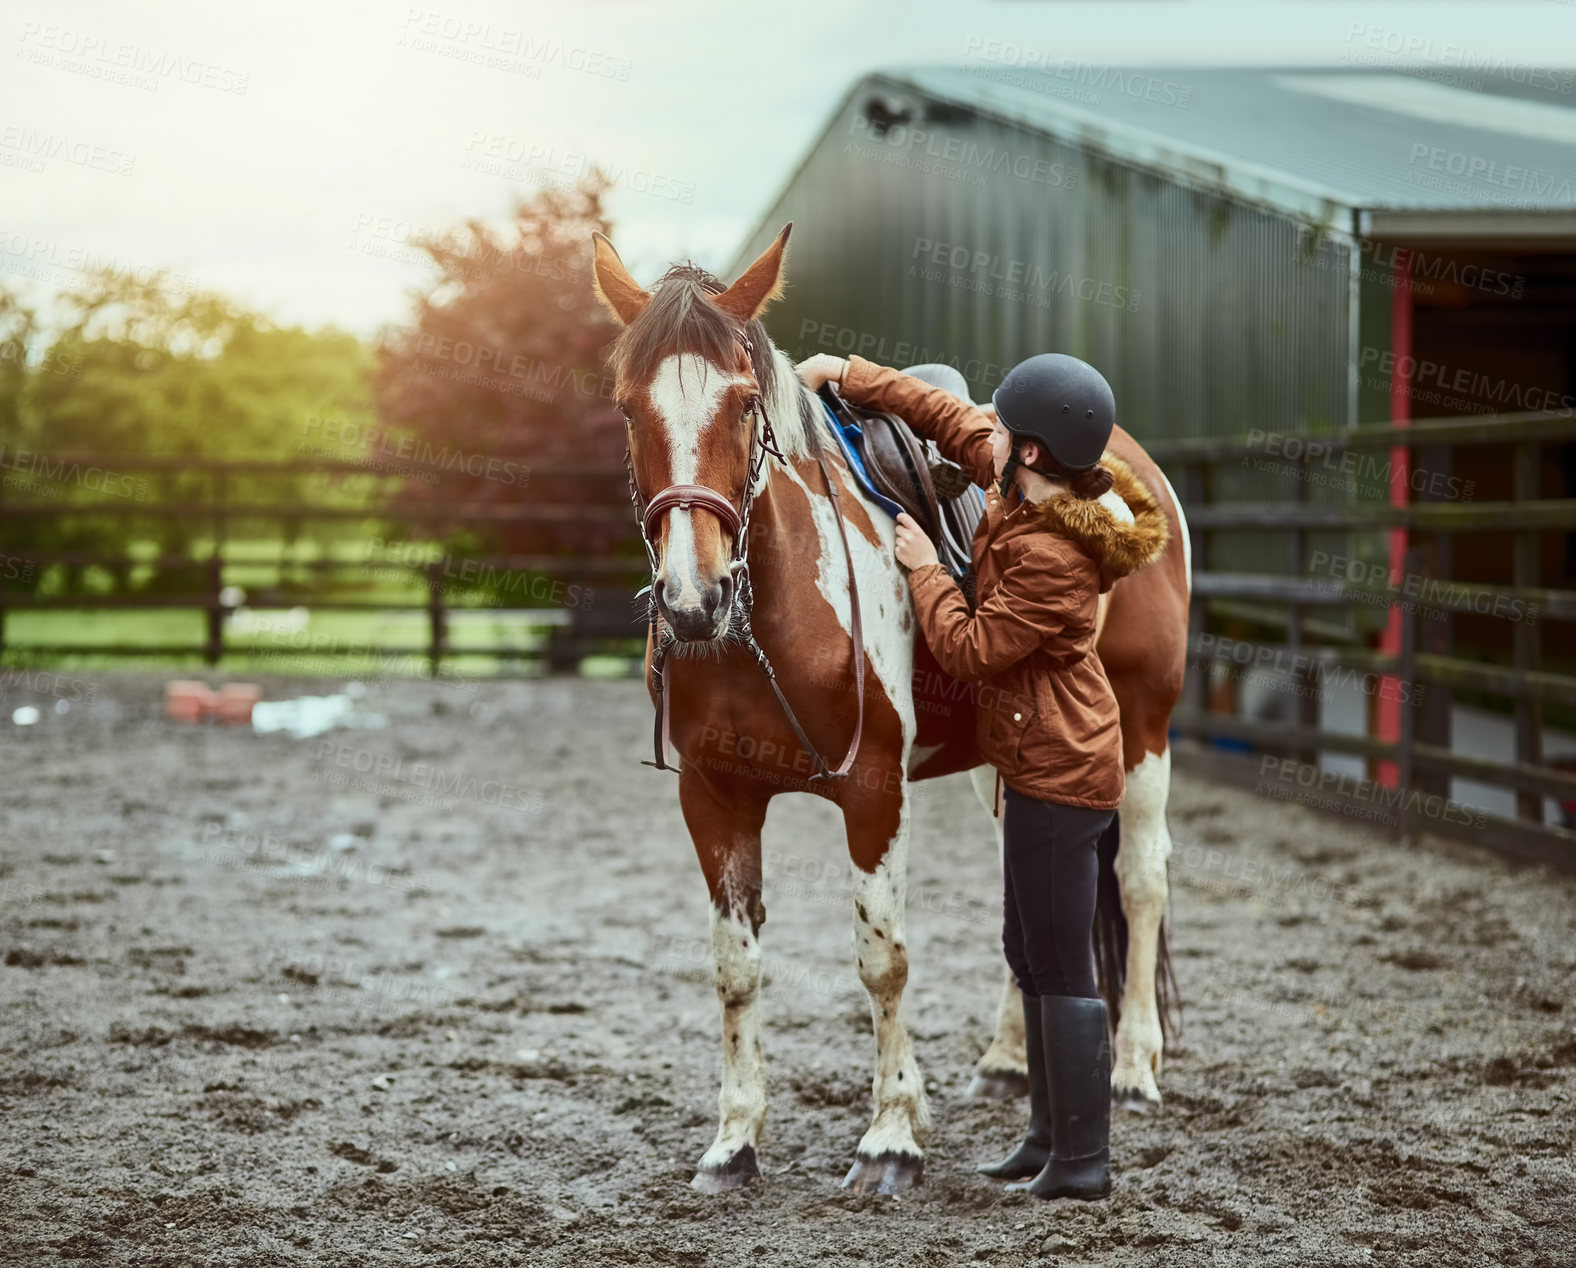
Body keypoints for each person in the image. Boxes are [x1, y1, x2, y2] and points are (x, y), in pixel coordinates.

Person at [796, 350, 1169, 1200]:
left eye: (1005, 428)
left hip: (1058, 769)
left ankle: (1082, 1162)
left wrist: (924, 564)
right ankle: (1045, 1135)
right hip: (1034, 757)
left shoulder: (1055, 555)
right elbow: (946, 415)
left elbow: (969, 650)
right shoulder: (1026, 483)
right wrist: (847, 373)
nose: (988, 432)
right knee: (1028, 951)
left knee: (1062, 962)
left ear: (1030, 453)